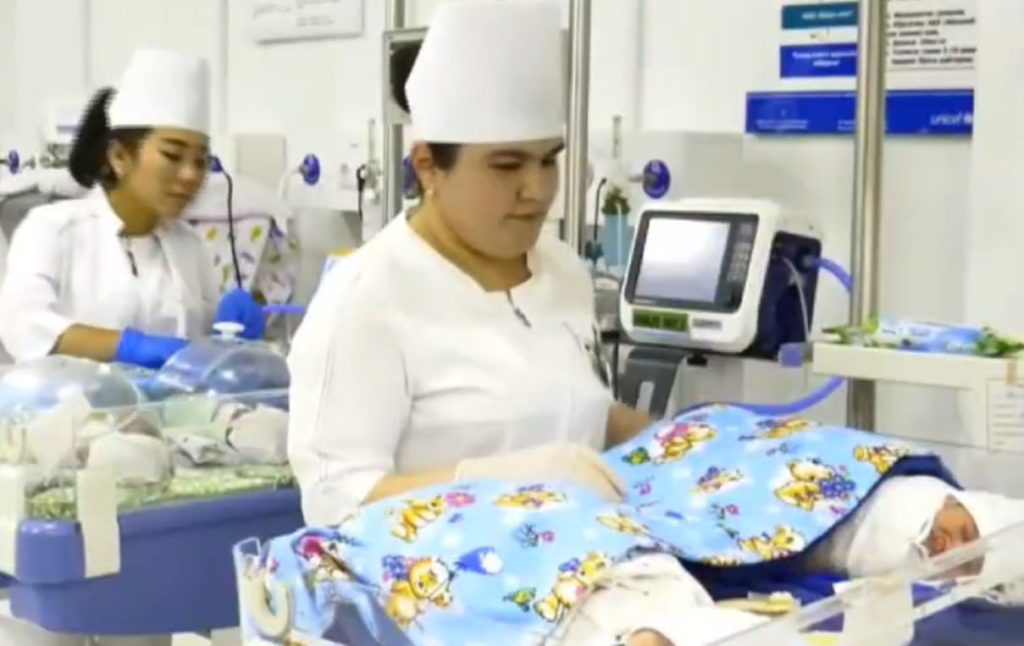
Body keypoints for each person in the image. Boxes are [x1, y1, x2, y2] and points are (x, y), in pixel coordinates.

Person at [287, 0, 652, 526]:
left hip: (589, 557)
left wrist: (665, 438)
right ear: (428, 166)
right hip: (441, 575)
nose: (537, 189)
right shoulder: (368, 298)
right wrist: (494, 484)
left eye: (548, 159)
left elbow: (565, 409)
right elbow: (335, 501)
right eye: (506, 165)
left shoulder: (564, 272)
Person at [0, 48, 264, 371]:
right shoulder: (54, 229)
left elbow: (202, 353)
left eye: (201, 160)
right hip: (70, 403)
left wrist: (230, 337)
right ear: (119, 157)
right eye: (172, 155)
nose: (191, 174)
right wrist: (127, 346)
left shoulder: (189, 245)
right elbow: (21, 324)